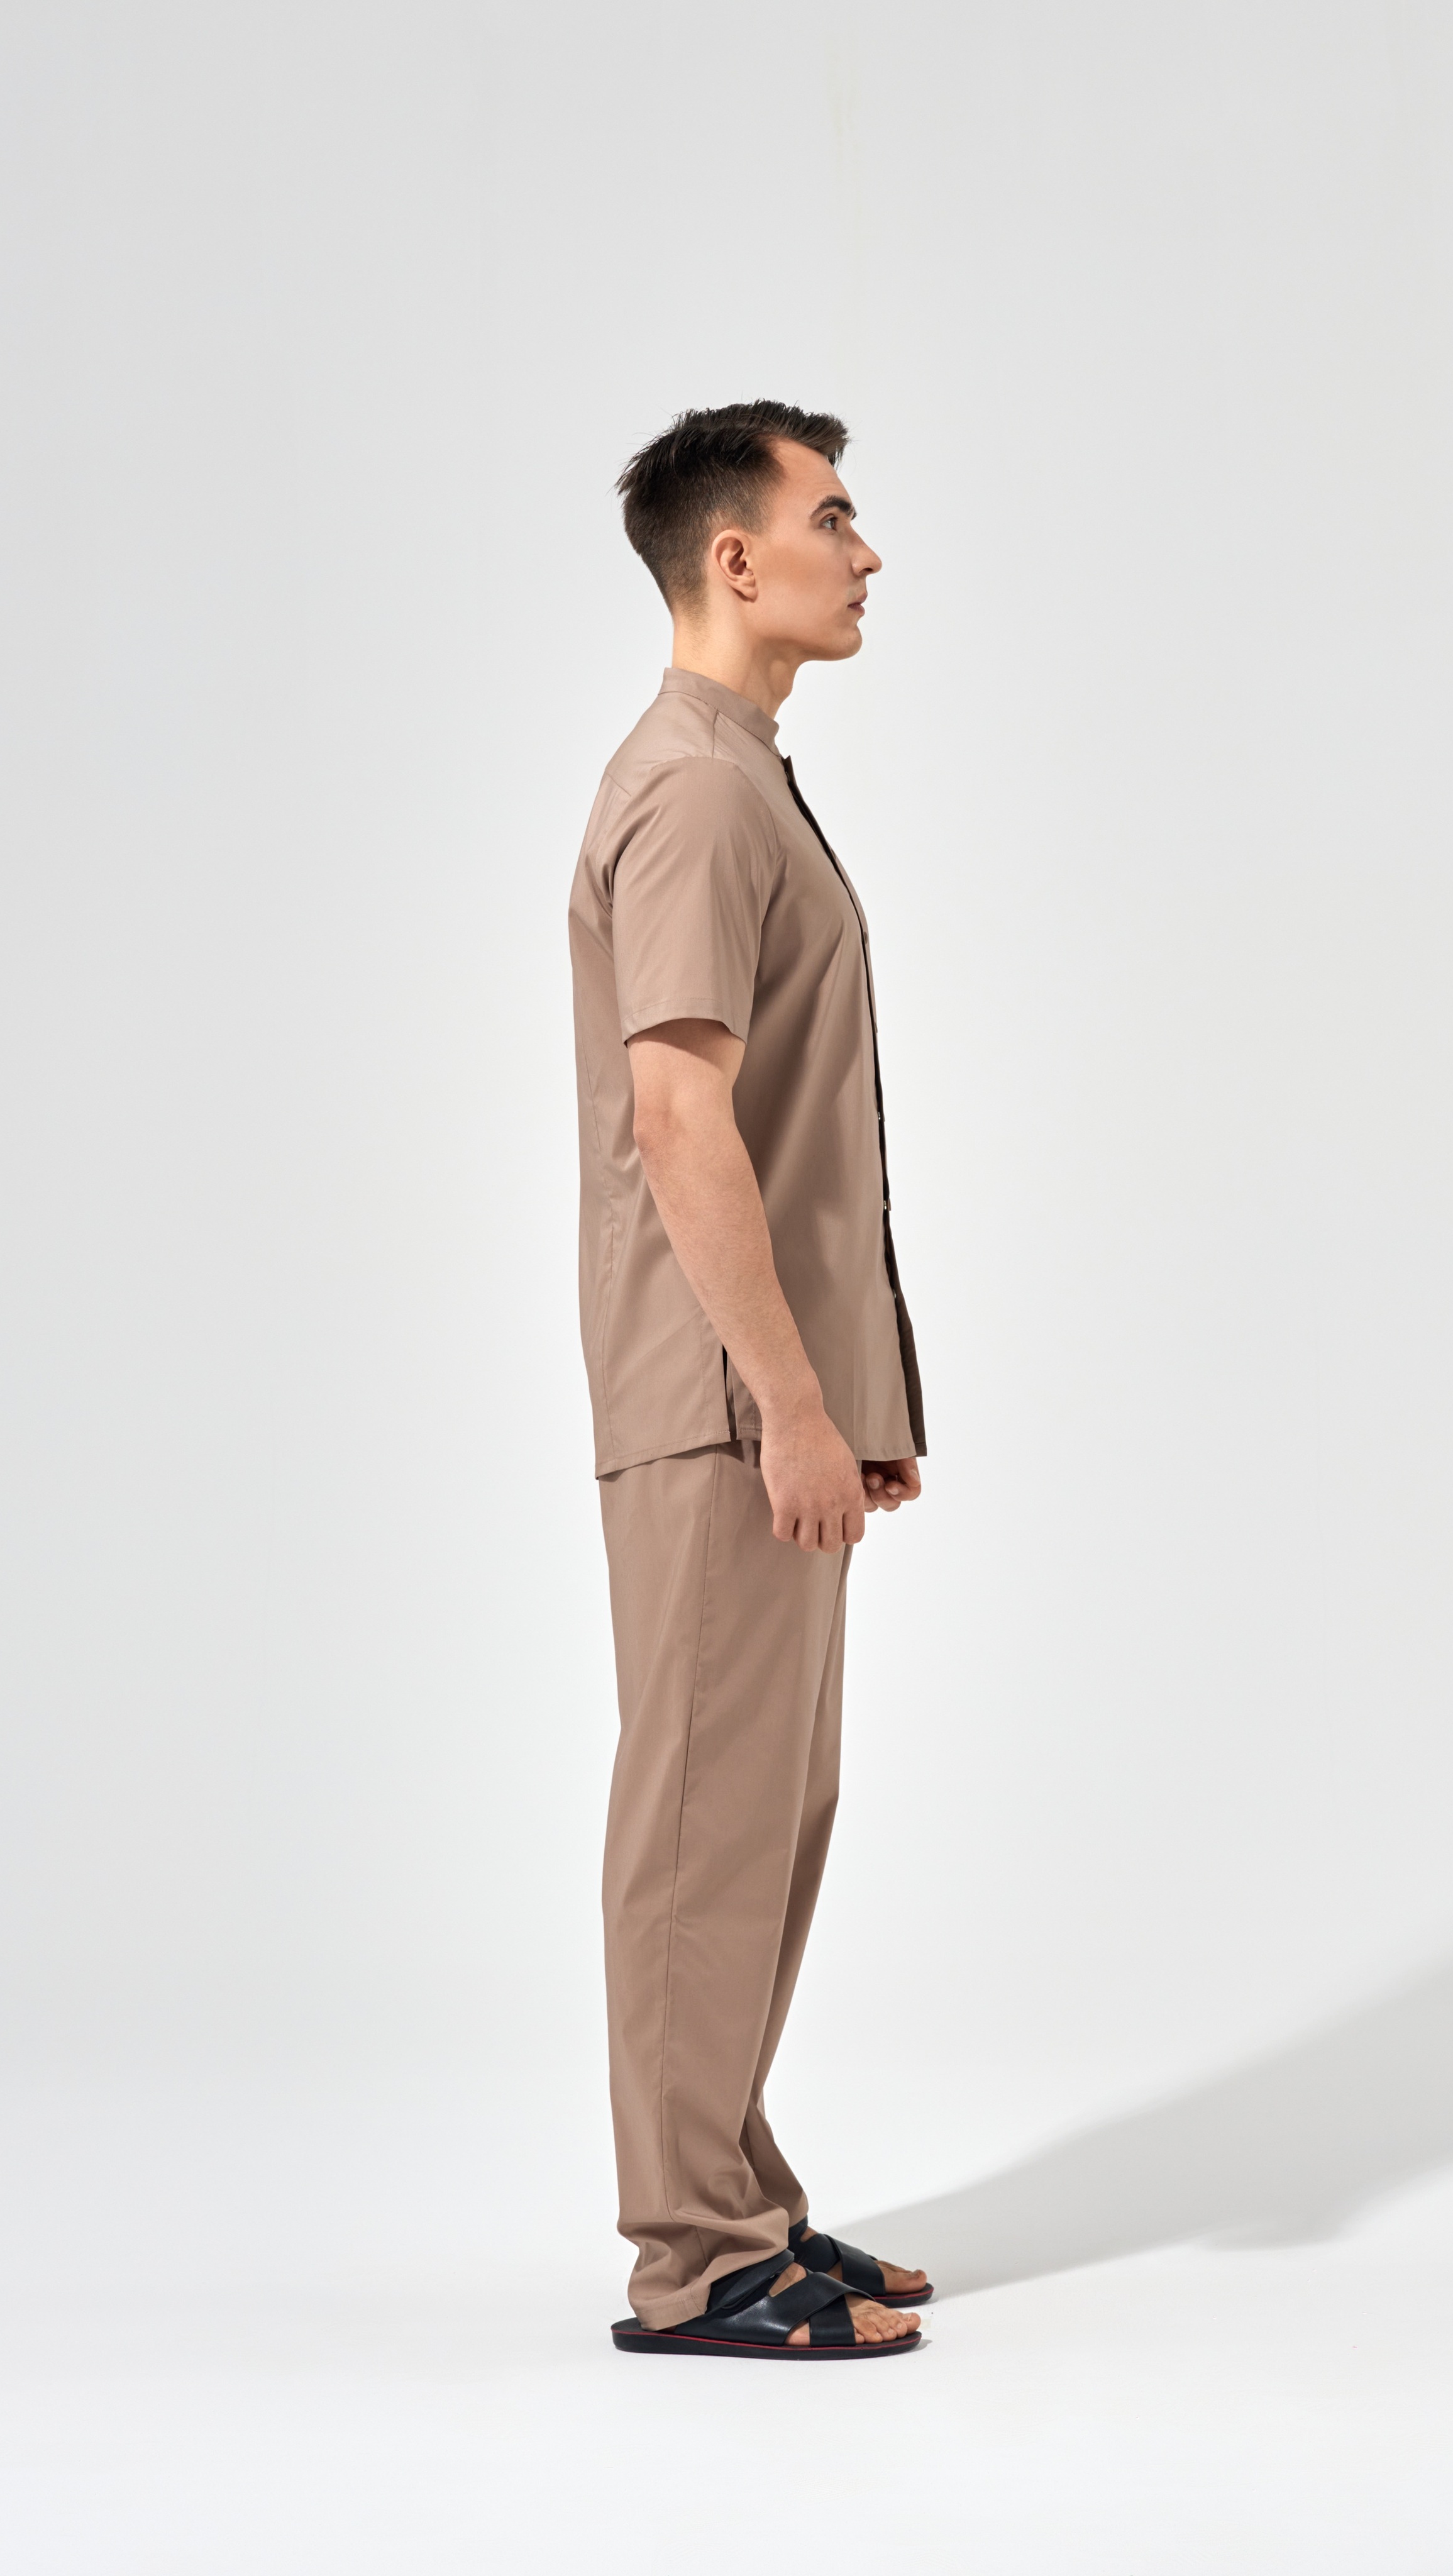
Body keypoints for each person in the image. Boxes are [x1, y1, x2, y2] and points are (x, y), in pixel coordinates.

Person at [569, 401, 931, 2360]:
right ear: (733, 558)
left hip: (766, 1394)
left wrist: (852, 1398)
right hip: (716, 1397)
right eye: (833, 517)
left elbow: (787, 1129)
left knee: (769, 1811)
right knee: (706, 1816)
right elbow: (680, 1118)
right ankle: (693, 2258)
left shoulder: (740, 779)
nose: (865, 555)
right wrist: (788, 1404)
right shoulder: (697, 794)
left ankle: (741, 2197)